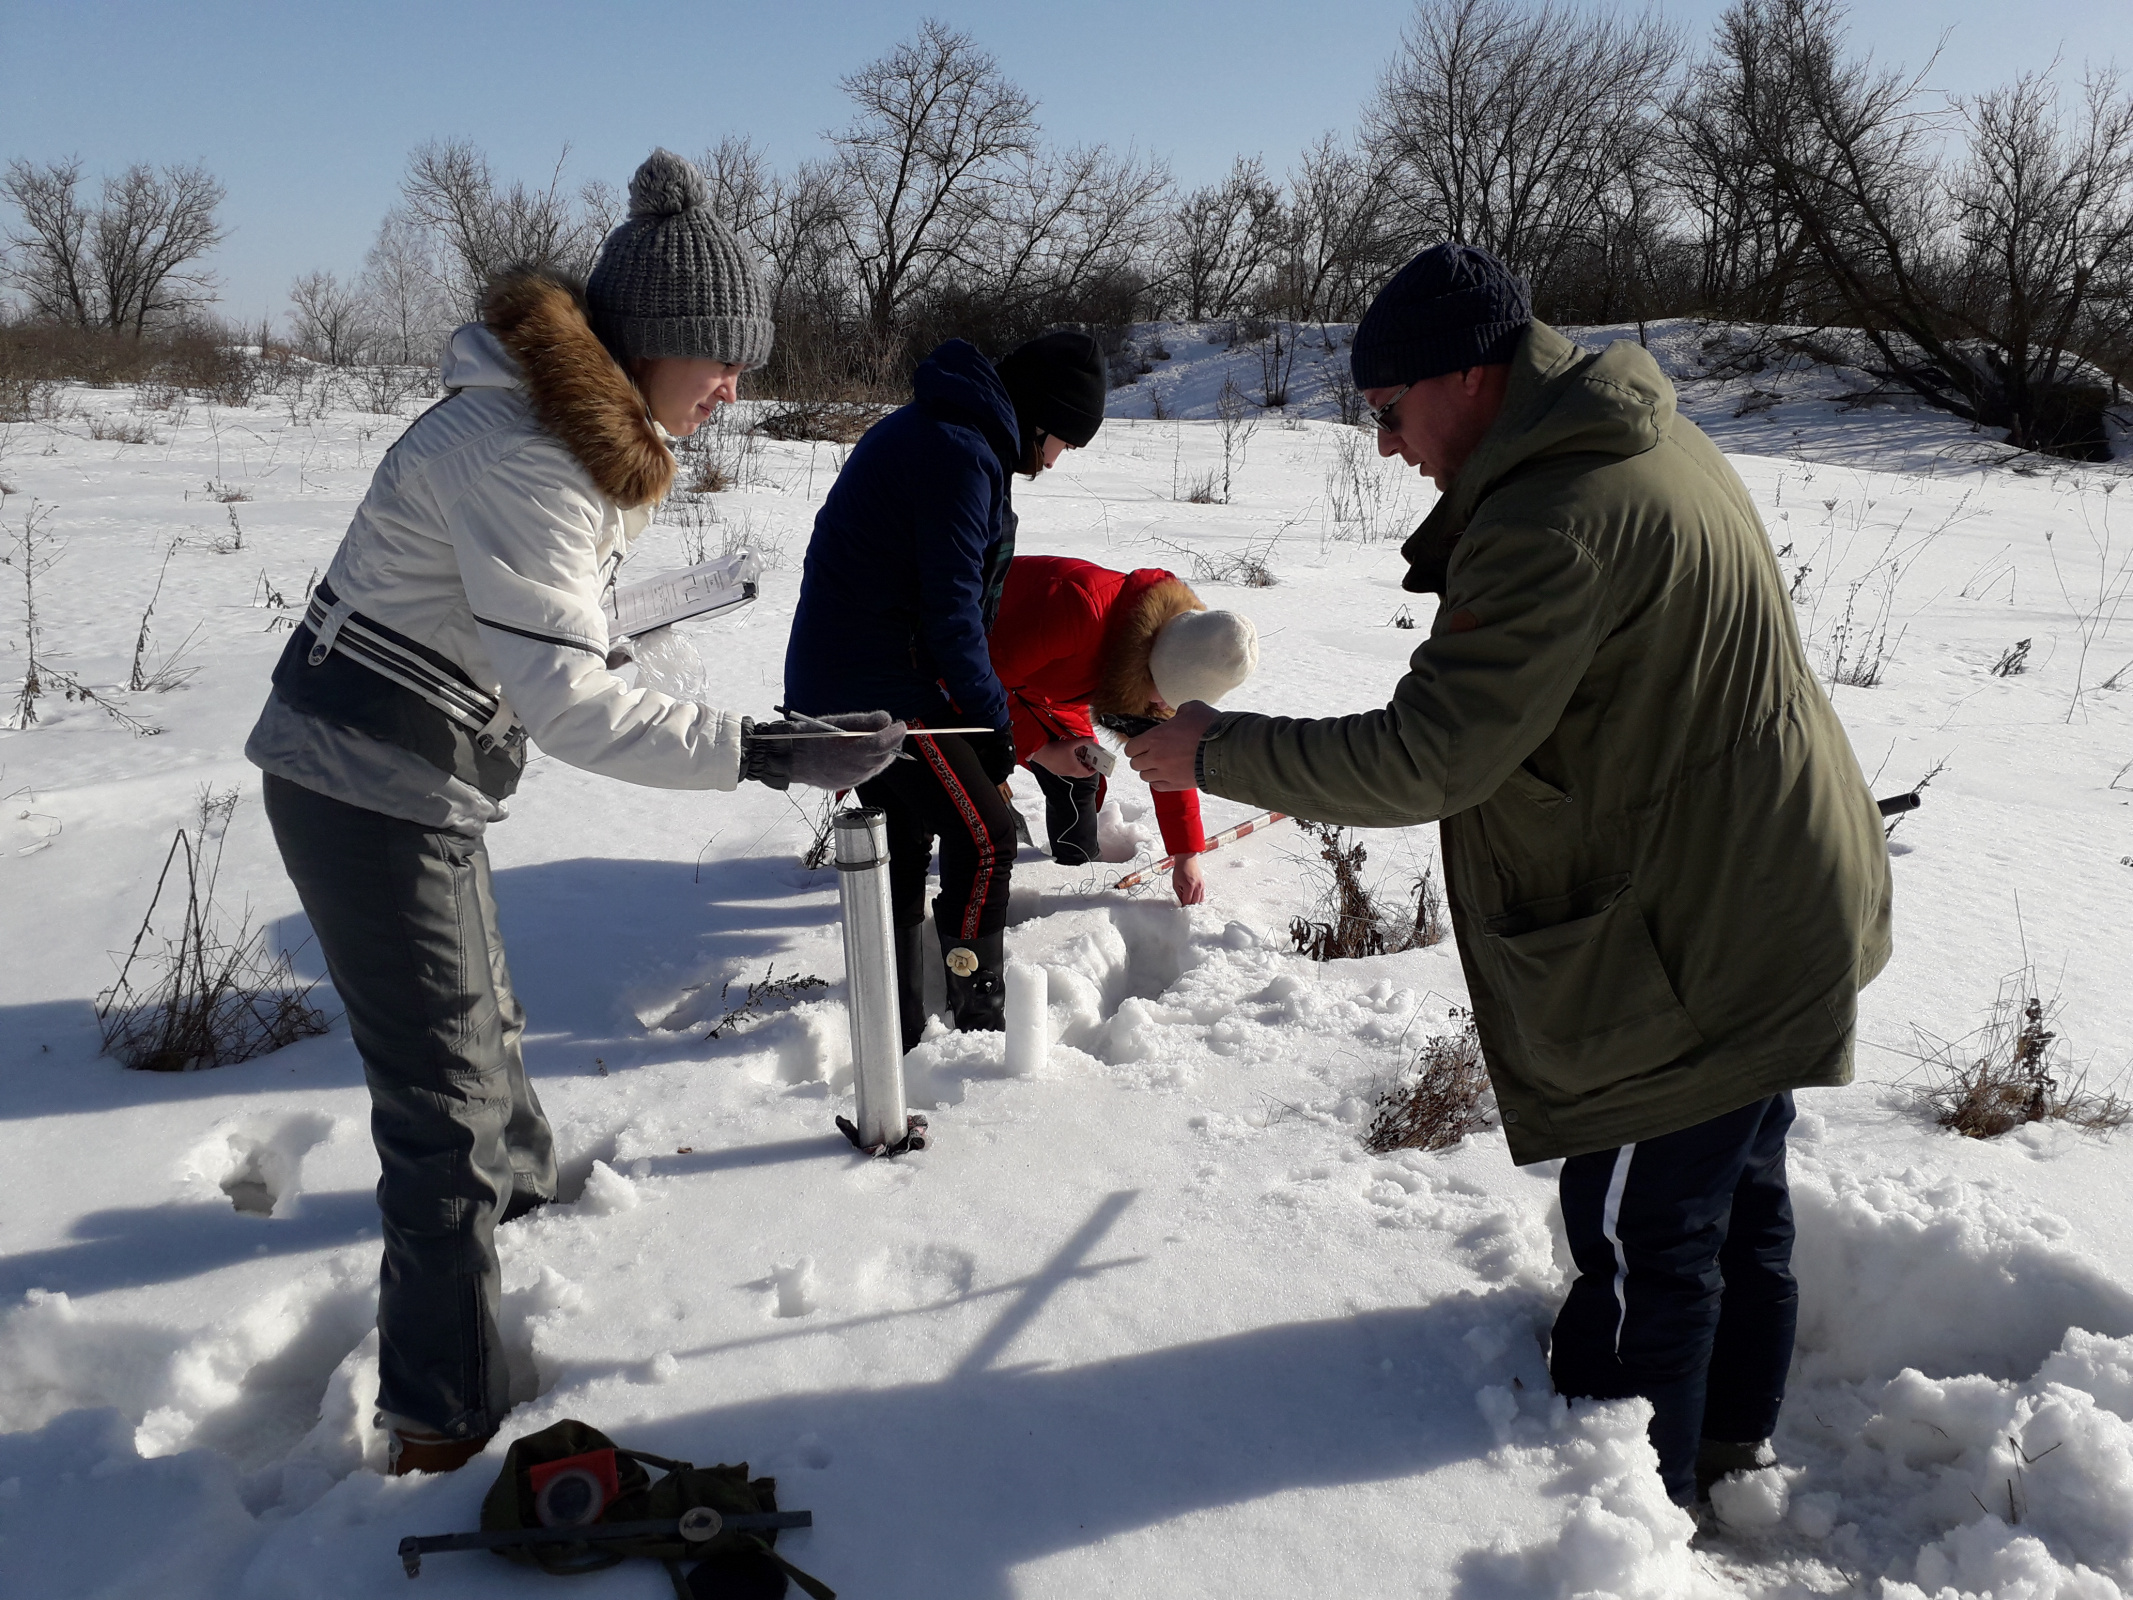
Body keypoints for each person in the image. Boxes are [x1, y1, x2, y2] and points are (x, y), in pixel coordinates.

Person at [1128, 243, 1892, 1509]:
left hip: (1700, 940)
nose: (1383, 447)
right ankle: (1722, 1448)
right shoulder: (1634, 440)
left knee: (1645, 1231)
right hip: (1769, 897)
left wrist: (1223, 747)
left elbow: (1432, 756)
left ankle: (1631, 1508)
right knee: (1736, 1196)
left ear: (1470, 377)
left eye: (1388, 412)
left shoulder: (1553, 521)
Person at [244, 150, 902, 1476]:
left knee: (485, 1020)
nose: (735, 386)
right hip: (358, 784)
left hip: (409, 775)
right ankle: (442, 1420)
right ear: (653, 346)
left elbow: (550, 647)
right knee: (438, 1100)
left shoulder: (559, 445)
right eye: (721, 360)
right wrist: (767, 753)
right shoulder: (529, 465)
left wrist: (725, 717)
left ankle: (535, 1217)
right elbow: (577, 708)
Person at [785, 330, 1108, 1050]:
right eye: (1061, 443)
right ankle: (977, 1020)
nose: (1054, 463)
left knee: (903, 842)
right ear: (1037, 418)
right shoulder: (957, 452)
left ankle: (897, 1029)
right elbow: (951, 611)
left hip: (857, 674)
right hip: (879, 689)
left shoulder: (950, 434)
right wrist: (992, 724)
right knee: (987, 836)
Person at [990, 554, 1257, 904]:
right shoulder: (1077, 608)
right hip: (955, 662)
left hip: (1044, 686)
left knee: (1080, 772)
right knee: (979, 803)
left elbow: (1167, 757)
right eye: (1166, 695)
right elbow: (979, 678)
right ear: (1152, 666)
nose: (1162, 708)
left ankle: (1073, 872)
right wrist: (1039, 749)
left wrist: (1185, 854)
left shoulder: (1167, 650)